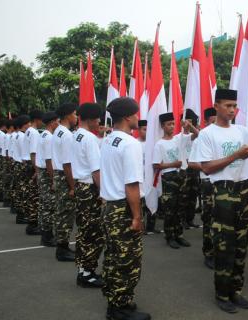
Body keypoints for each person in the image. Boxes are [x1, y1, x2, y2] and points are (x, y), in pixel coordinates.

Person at [191, 88, 248, 314]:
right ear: (216, 106)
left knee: (241, 245)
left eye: (234, 106)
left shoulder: (242, 131)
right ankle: (222, 294)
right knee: (224, 247)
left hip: (243, 191)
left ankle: (236, 291)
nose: (232, 110)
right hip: (223, 194)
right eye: (227, 106)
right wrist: (236, 156)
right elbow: (206, 167)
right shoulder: (208, 134)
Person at [100, 97, 150, 320]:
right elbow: (131, 185)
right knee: (127, 260)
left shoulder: (109, 139)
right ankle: (118, 309)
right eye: (136, 114)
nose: (138, 118)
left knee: (113, 257)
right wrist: (137, 216)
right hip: (123, 209)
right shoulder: (130, 143)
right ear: (128, 117)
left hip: (111, 206)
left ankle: (118, 301)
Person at [70, 103, 105, 288]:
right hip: (89, 189)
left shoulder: (76, 135)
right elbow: (96, 171)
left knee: (84, 231)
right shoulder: (89, 139)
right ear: (91, 119)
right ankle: (88, 273)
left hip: (80, 186)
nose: (99, 122)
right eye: (98, 118)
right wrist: (104, 193)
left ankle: (83, 270)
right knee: (93, 233)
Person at [153, 112, 197, 249]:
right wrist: (172, 165)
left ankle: (179, 235)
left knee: (180, 208)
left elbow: (197, 135)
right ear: (162, 126)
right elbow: (156, 165)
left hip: (181, 175)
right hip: (169, 177)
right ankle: (170, 236)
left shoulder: (179, 139)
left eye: (173, 124)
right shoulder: (159, 144)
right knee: (170, 209)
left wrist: (190, 126)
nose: (171, 126)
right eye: (168, 124)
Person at [188, 107, 216, 269]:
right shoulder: (201, 139)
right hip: (208, 182)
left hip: (224, 183)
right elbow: (192, 162)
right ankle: (209, 252)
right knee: (209, 218)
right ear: (206, 122)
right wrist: (210, 167)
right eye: (212, 122)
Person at [52, 103, 78, 262]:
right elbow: (67, 164)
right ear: (68, 115)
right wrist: (73, 186)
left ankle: (62, 246)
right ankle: (62, 249)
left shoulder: (58, 132)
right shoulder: (66, 135)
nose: (76, 117)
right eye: (74, 114)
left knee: (61, 211)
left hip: (59, 174)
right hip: (64, 175)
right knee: (66, 214)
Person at [36, 111, 59, 247]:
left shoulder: (43, 135)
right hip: (47, 172)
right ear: (52, 122)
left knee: (45, 204)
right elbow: (49, 161)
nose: (58, 123)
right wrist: (53, 180)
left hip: (43, 172)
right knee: (49, 206)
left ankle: (46, 234)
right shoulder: (49, 137)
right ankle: (47, 236)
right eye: (57, 121)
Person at [24, 110, 44, 235]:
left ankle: (31, 222)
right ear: (37, 119)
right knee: (34, 196)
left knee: (31, 194)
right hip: (32, 165)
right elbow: (33, 153)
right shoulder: (34, 133)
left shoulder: (28, 131)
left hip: (27, 164)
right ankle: (33, 224)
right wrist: (37, 170)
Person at [181, 109, 202, 229]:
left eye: (191, 122)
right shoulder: (179, 137)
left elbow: (198, 133)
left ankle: (190, 219)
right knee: (184, 196)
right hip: (184, 170)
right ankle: (182, 220)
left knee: (193, 195)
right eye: (186, 121)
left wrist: (191, 126)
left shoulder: (195, 136)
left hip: (195, 169)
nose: (188, 124)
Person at [15, 115, 31, 225]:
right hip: (21, 164)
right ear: (24, 124)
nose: (29, 125)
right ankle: (22, 215)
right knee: (23, 190)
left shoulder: (18, 136)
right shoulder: (21, 137)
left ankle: (21, 214)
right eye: (28, 123)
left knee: (20, 190)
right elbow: (25, 152)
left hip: (18, 163)